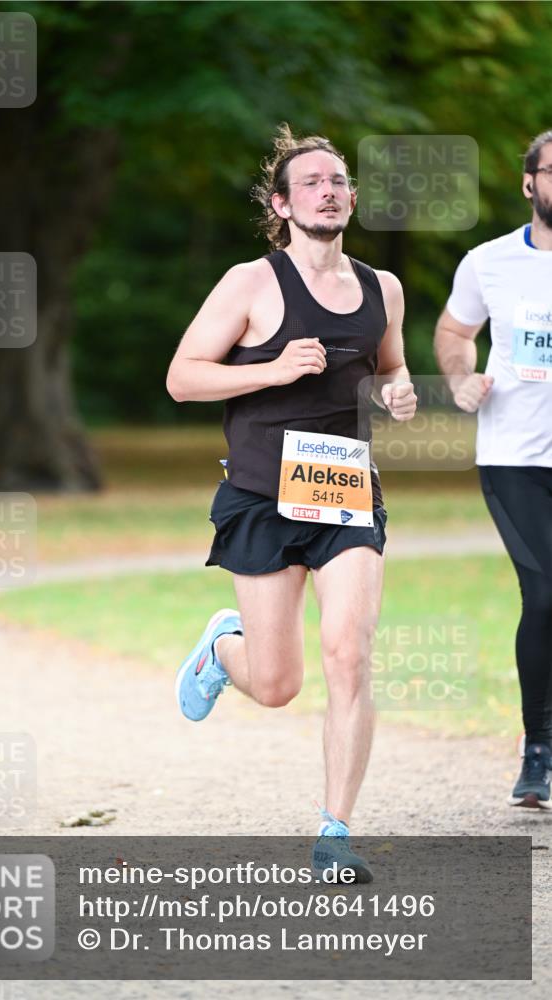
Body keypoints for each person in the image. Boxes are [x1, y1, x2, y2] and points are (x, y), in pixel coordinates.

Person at [166, 125, 416, 879]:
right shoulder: (250, 283)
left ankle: (333, 835)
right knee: (276, 686)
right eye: (310, 182)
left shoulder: (383, 289)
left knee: (350, 651)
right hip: (261, 495)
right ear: (281, 204)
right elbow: (183, 377)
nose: (328, 190)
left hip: (344, 489)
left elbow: (390, 368)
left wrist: (398, 391)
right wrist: (269, 371)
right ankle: (221, 647)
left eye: (337, 180)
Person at [434, 130, 552, 809]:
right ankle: (536, 747)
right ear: (527, 182)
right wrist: (458, 379)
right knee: (543, 596)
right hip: (514, 456)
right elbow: (453, 333)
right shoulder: (488, 262)